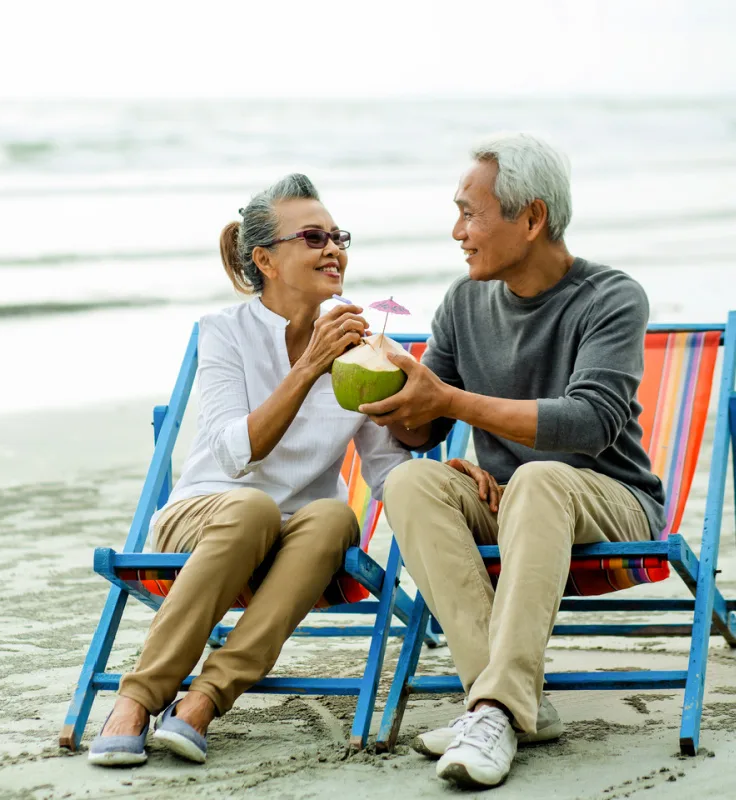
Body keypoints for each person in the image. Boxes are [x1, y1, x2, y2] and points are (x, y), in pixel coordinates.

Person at [359, 134, 666, 790]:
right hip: (509, 500)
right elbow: (429, 426)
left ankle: (497, 708)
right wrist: (393, 396)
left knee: (540, 475)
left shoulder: (611, 298)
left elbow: (589, 423)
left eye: (471, 213)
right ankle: (495, 700)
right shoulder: (463, 303)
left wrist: (451, 401)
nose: (457, 232)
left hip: (608, 499)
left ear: (531, 219)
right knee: (413, 481)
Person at [88, 173, 409, 767]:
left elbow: (388, 469)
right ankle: (136, 699)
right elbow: (237, 453)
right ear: (265, 258)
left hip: (296, 543)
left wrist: (443, 474)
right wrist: (309, 368)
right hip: (207, 516)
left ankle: (203, 703)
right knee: (255, 505)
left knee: (337, 516)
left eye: (338, 235)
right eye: (313, 236)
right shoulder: (225, 334)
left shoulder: (359, 344)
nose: (333, 248)